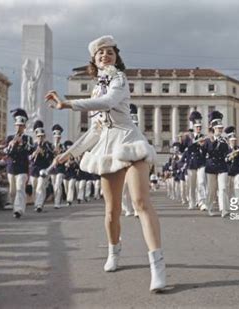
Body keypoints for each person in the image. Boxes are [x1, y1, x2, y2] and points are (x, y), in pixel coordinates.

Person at [45, 35, 166, 292]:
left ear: (116, 57)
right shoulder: (96, 89)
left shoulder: (119, 79)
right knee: (111, 211)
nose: (105, 55)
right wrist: (70, 153)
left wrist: (67, 104)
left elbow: (110, 103)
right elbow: (96, 131)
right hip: (107, 148)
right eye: (100, 53)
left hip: (129, 141)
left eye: (109, 52)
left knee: (141, 202)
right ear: (94, 60)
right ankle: (114, 251)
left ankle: (158, 266)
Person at [203, 111, 230, 217]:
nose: (220, 130)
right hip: (211, 167)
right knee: (211, 189)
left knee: (223, 188)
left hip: (222, 167)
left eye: (221, 128)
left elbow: (226, 151)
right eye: (218, 128)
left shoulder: (224, 140)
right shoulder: (207, 140)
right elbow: (206, 152)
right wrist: (212, 141)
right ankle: (209, 207)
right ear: (213, 128)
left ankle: (224, 209)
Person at [29, 120, 54, 212]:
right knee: (35, 187)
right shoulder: (32, 145)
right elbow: (28, 157)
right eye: (38, 136)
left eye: (42, 136)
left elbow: (51, 157)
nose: (40, 138)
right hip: (33, 169)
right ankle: (37, 203)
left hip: (43, 169)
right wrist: (34, 154)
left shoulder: (48, 146)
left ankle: (39, 205)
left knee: (40, 186)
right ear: (36, 136)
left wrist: (43, 153)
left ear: (44, 136)